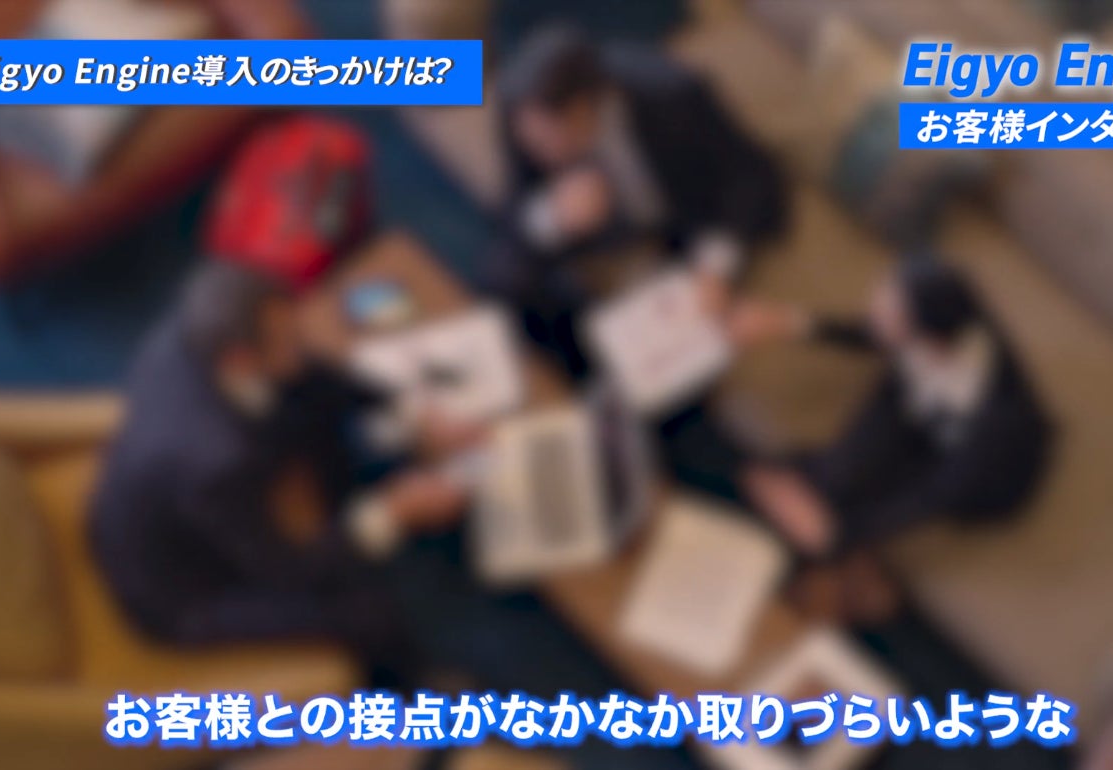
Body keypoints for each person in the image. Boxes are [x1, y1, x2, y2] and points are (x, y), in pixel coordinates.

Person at [90, 261, 701, 769]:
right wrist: (390, 514)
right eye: (286, 340)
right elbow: (287, 570)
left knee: (318, 415)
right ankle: (414, 692)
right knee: (365, 608)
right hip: (183, 591)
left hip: (169, 504)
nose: (302, 341)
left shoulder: (190, 338)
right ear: (239, 360)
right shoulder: (217, 461)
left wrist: (412, 416)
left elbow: (315, 376)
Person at [490, 25, 788, 377]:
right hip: (597, 240)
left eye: (545, 142)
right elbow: (515, 204)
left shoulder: (675, 96)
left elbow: (753, 178)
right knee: (507, 276)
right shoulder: (521, 115)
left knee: (681, 359)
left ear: (582, 110)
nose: (537, 154)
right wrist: (552, 214)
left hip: (681, 231)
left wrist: (714, 265)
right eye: (530, 141)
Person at [730, 258, 1053, 556]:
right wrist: (790, 322)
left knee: (855, 505)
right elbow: (874, 334)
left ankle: (821, 518)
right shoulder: (943, 325)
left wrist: (840, 536)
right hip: (922, 402)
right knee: (844, 466)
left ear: (932, 341)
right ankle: (803, 482)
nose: (874, 310)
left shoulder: (997, 421)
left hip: (971, 461)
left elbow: (934, 495)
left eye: (888, 312)